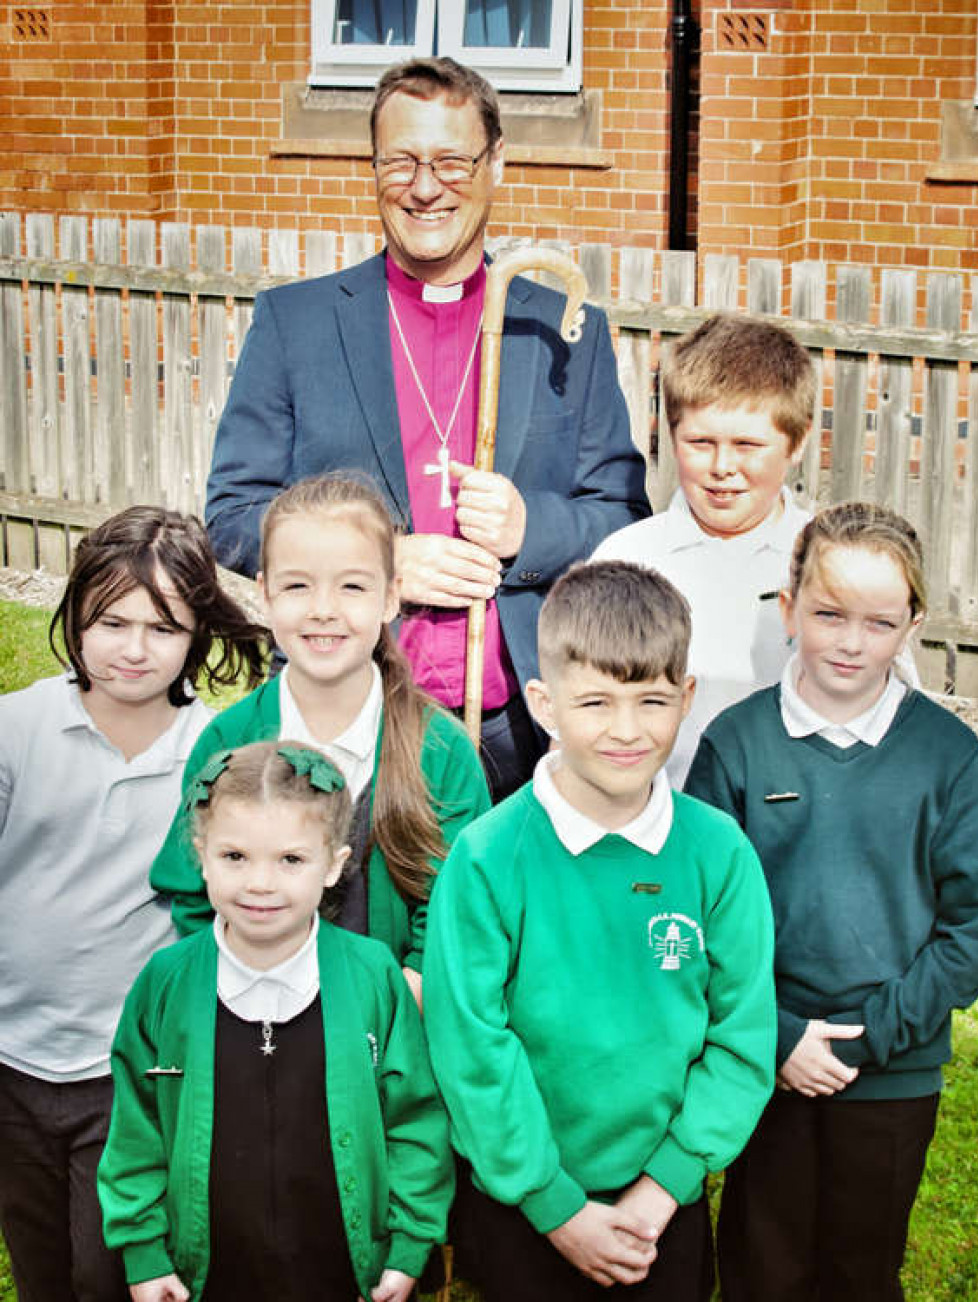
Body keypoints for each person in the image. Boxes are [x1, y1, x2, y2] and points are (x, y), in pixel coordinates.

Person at [204, 56, 650, 798]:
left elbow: (625, 518)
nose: (423, 186)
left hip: (522, 727)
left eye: (450, 160)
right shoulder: (297, 324)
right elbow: (231, 514)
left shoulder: (564, 330)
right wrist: (375, 565)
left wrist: (527, 529)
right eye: (400, 161)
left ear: (496, 161)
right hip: (346, 711)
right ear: (372, 164)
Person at [422, 560, 776, 1302]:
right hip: (525, 1201)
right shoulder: (487, 858)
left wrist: (663, 1189)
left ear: (686, 698)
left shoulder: (719, 854)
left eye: (651, 701)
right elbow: (472, 1050)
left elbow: (742, 1039)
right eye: (595, 702)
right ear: (543, 704)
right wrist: (553, 1204)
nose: (626, 730)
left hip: (663, 1205)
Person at [684, 502, 978, 1302]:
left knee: (860, 1271)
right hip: (768, 1060)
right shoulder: (737, 742)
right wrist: (779, 1037)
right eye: (828, 615)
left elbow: (977, 924)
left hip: (894, 1073)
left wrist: (873, 1039)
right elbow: (700, 916)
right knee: (763, 1263)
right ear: (789, 609)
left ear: (913, 625)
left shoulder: (948, 757)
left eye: (878, 622)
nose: (851, 642)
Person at [0, 506, 267, 1302]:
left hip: (132, 1072)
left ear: (197, 638)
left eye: (163, 627)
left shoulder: (215, 754)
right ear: (76, 612)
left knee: (108, 1268)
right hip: (11, 1058)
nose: (133, 648)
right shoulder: (17, 730)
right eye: (111, 621)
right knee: (41, 1263)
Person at [99, 741, 454, 1302]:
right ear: (201, 854)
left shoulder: (372, 977)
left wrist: (409, 1245)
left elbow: (416, 1123)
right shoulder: (165, 982)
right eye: (235, 857)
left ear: (335, 865)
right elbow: (135, 1132)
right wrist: (144, 1253)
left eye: (290, 860)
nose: (259, 884)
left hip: (341, 1273)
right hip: (210, 1278)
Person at [151, 473, 491, 1004]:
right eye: (297, 585)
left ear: (391, 597)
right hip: (252, 1024)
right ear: (263, 592)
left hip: (392, 1041)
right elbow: (193, 895)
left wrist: (400, 1004)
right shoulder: (229, 739)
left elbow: (454, 910)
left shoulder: (440, 751)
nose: (323, 610)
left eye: (352, 586)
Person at [592, 313, 815, 784]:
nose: (722, 467)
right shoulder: (626, 562)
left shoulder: (828, 562)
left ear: (796, 443)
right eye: (700, 442)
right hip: (660, 826)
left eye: (748, 445)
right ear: (670, 435)